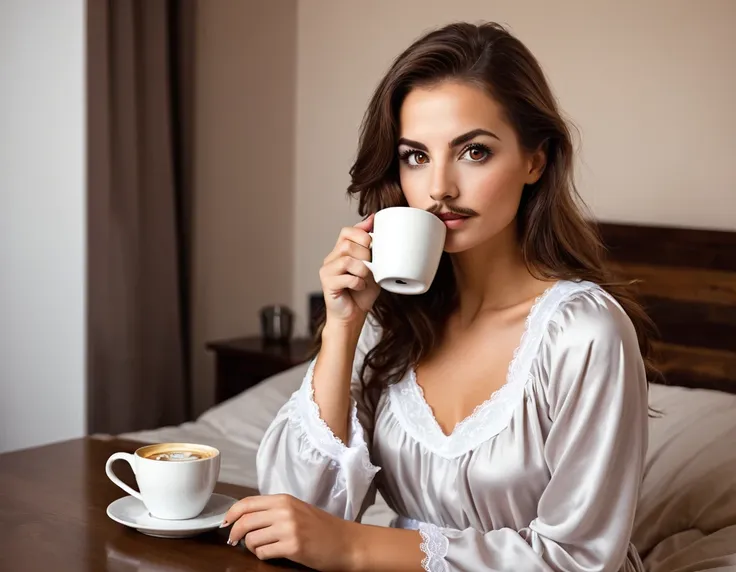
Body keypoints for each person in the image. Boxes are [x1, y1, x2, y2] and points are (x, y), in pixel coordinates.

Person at [223, 21, 654, 572]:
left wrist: (355, 547)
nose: (439, 187)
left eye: (474, 151)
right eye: (415, 156)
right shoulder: (392, 321)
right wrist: (342, 328)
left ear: (535, 160)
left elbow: (576, 561)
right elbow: (296, 516)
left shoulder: (584, 334)